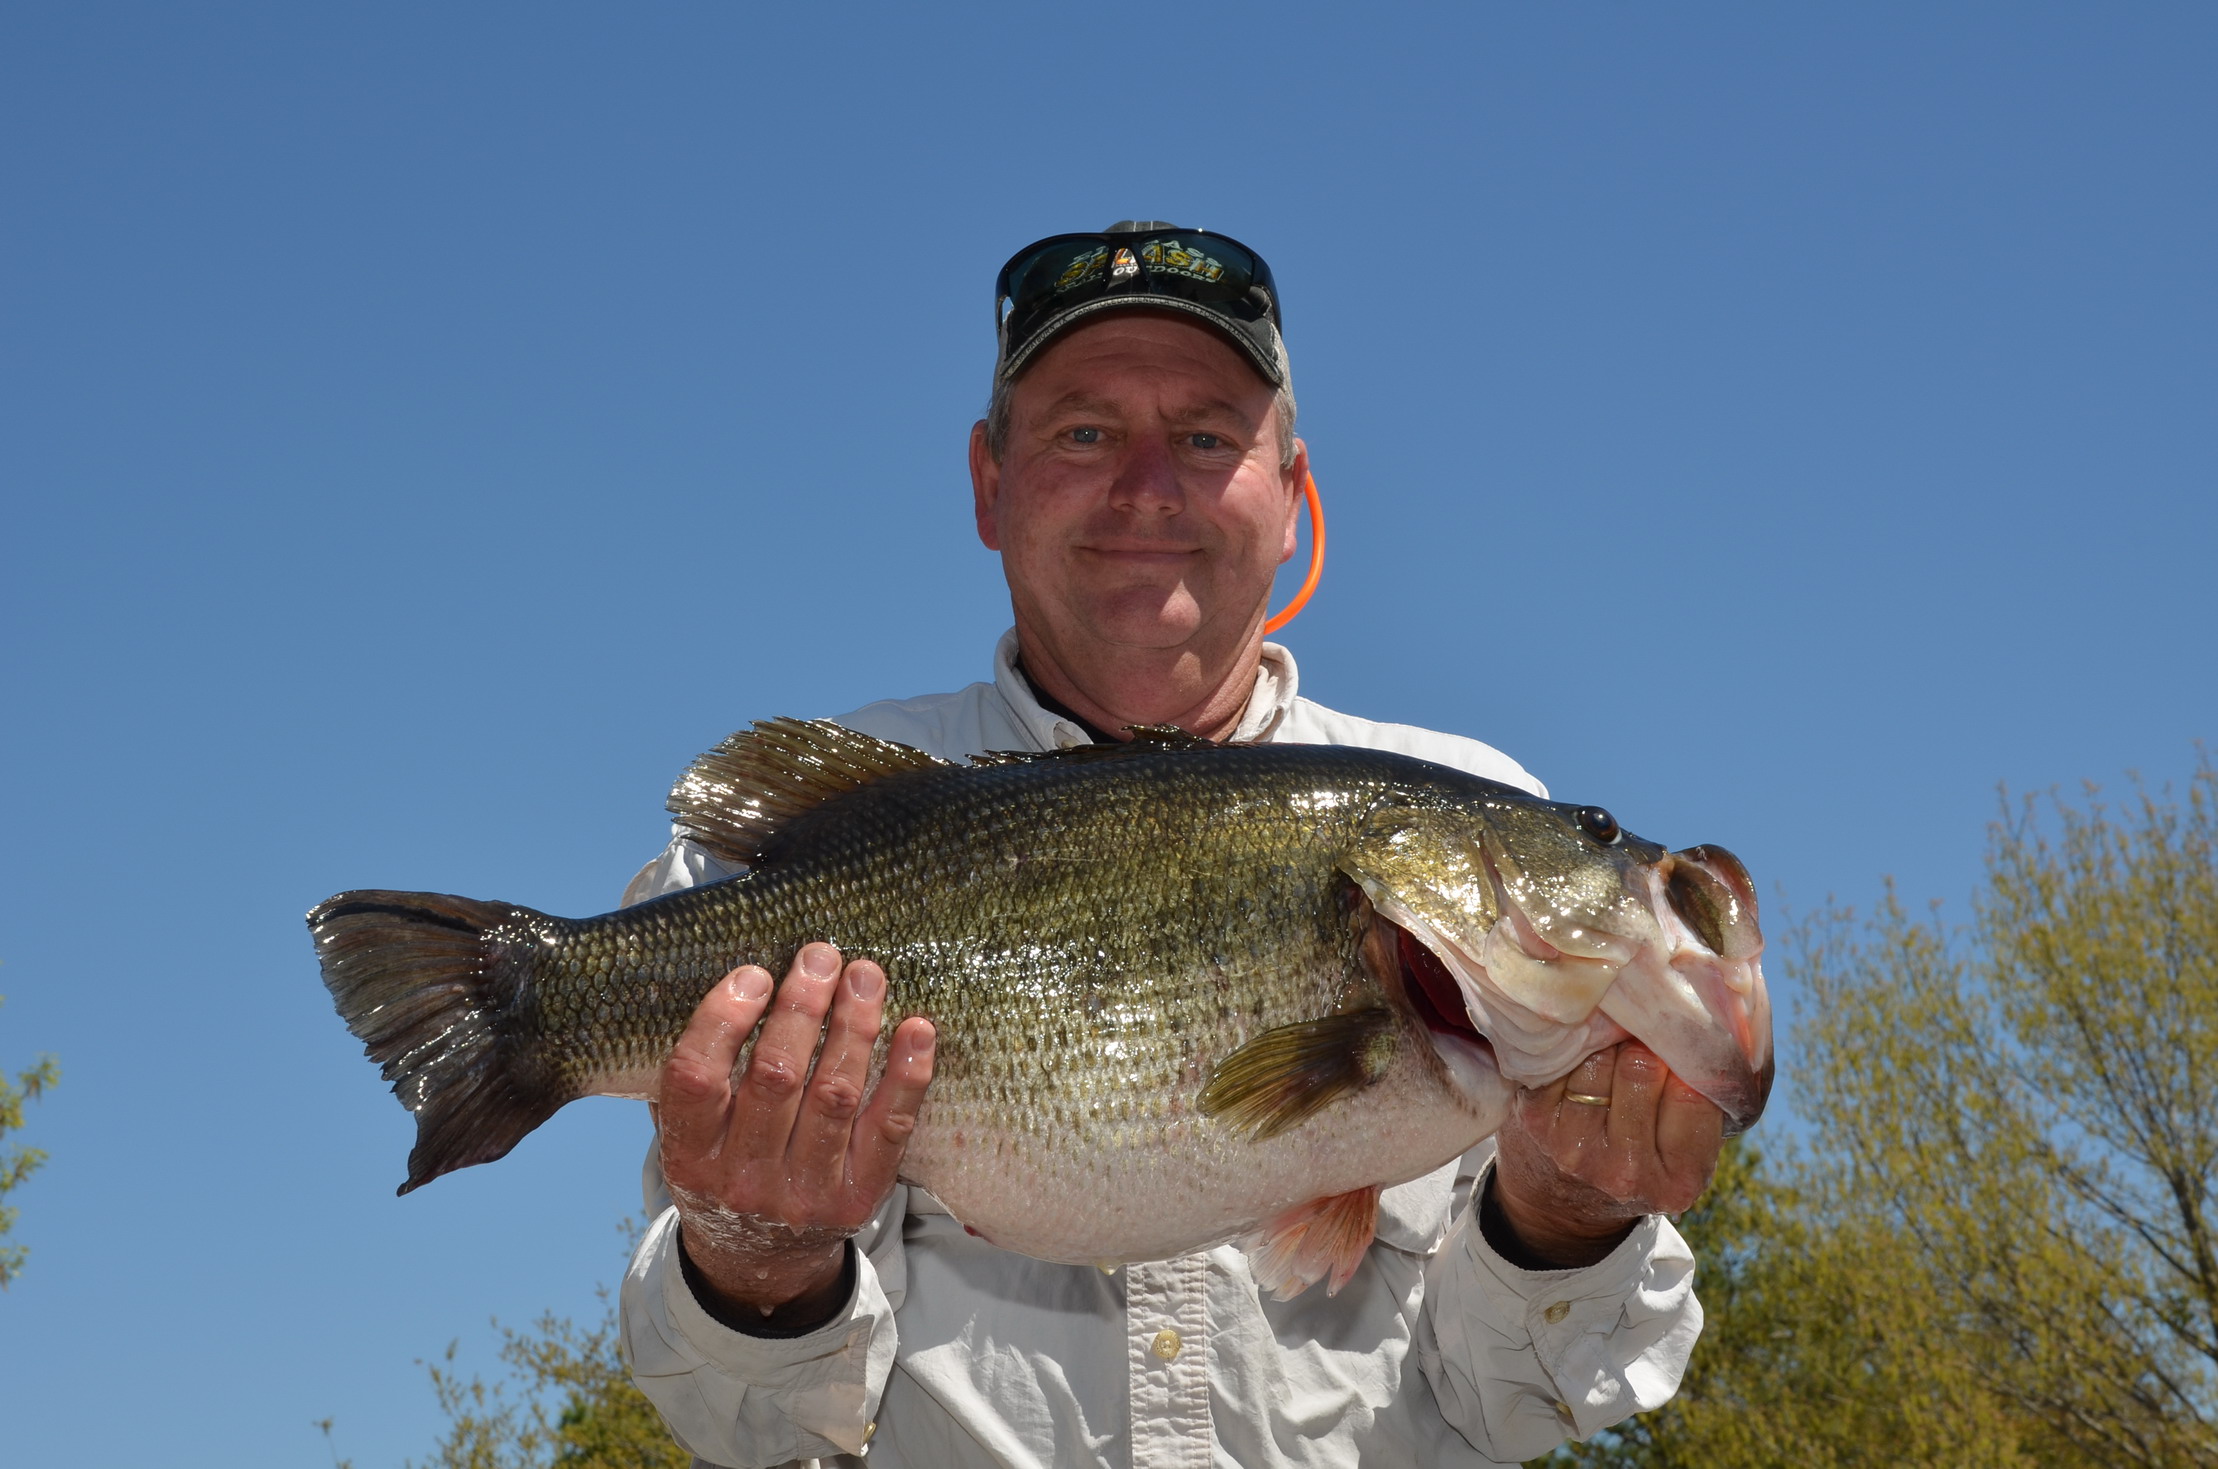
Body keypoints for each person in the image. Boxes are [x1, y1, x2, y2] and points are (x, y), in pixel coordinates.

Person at [616, 223, 1726, 1468]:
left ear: (1293, 495)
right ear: (988, 483)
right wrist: (754, 1259)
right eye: (1084, 431)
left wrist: (1564, 1214)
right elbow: (750, 1426)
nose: (1148, 486)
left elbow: (1524, 1404)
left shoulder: (1481, 807)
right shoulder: (773, 875)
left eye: (1206, 436)